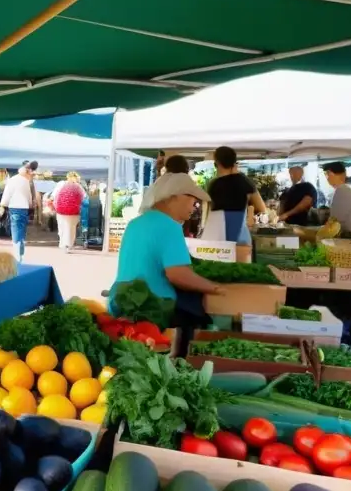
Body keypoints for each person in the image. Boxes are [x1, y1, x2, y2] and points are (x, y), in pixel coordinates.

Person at [109, 173, 224, 354]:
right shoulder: (169, 226)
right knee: (197, 312)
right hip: (153, 308)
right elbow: (178, 274)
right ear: (173, 197)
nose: (194, 207)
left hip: (120, 302)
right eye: (192, 200)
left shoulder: (135, 223)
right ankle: (182, 358)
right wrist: (216, 288)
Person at [202, 146, 266, 243]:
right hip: (240, 235)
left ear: (217, 162)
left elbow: (208, 212)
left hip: (217, 235)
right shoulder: (244, 182)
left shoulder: (213, 185)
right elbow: (261, 208)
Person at [0, 166, 35, 261]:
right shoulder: (26, 181)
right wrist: (30, 205)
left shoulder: (12, 180)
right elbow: (29, 195)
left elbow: (7, 194)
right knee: (22, 229)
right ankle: (21, 249)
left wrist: (3, 204)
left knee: (15, 228)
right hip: (24, 207)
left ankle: (17, 251)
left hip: (14, 206)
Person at [322, 161, 351, 235]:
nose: (327, 179)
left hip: (344, 236)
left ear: (329, 173)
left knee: (296, 231)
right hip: (343, 234)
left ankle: (293, 244)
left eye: (326, 175)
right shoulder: (345, 189)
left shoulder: (343, 190)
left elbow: (335, 221)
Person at [50, 172, 86, 251]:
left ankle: (62, 243)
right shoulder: (79, 186)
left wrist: (53, 205)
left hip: (61, 209)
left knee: (61, 226)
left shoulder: (61, 184)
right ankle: (68, 245)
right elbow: (84, 198)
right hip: (74, 211)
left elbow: (53, 195)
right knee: (71, 228)